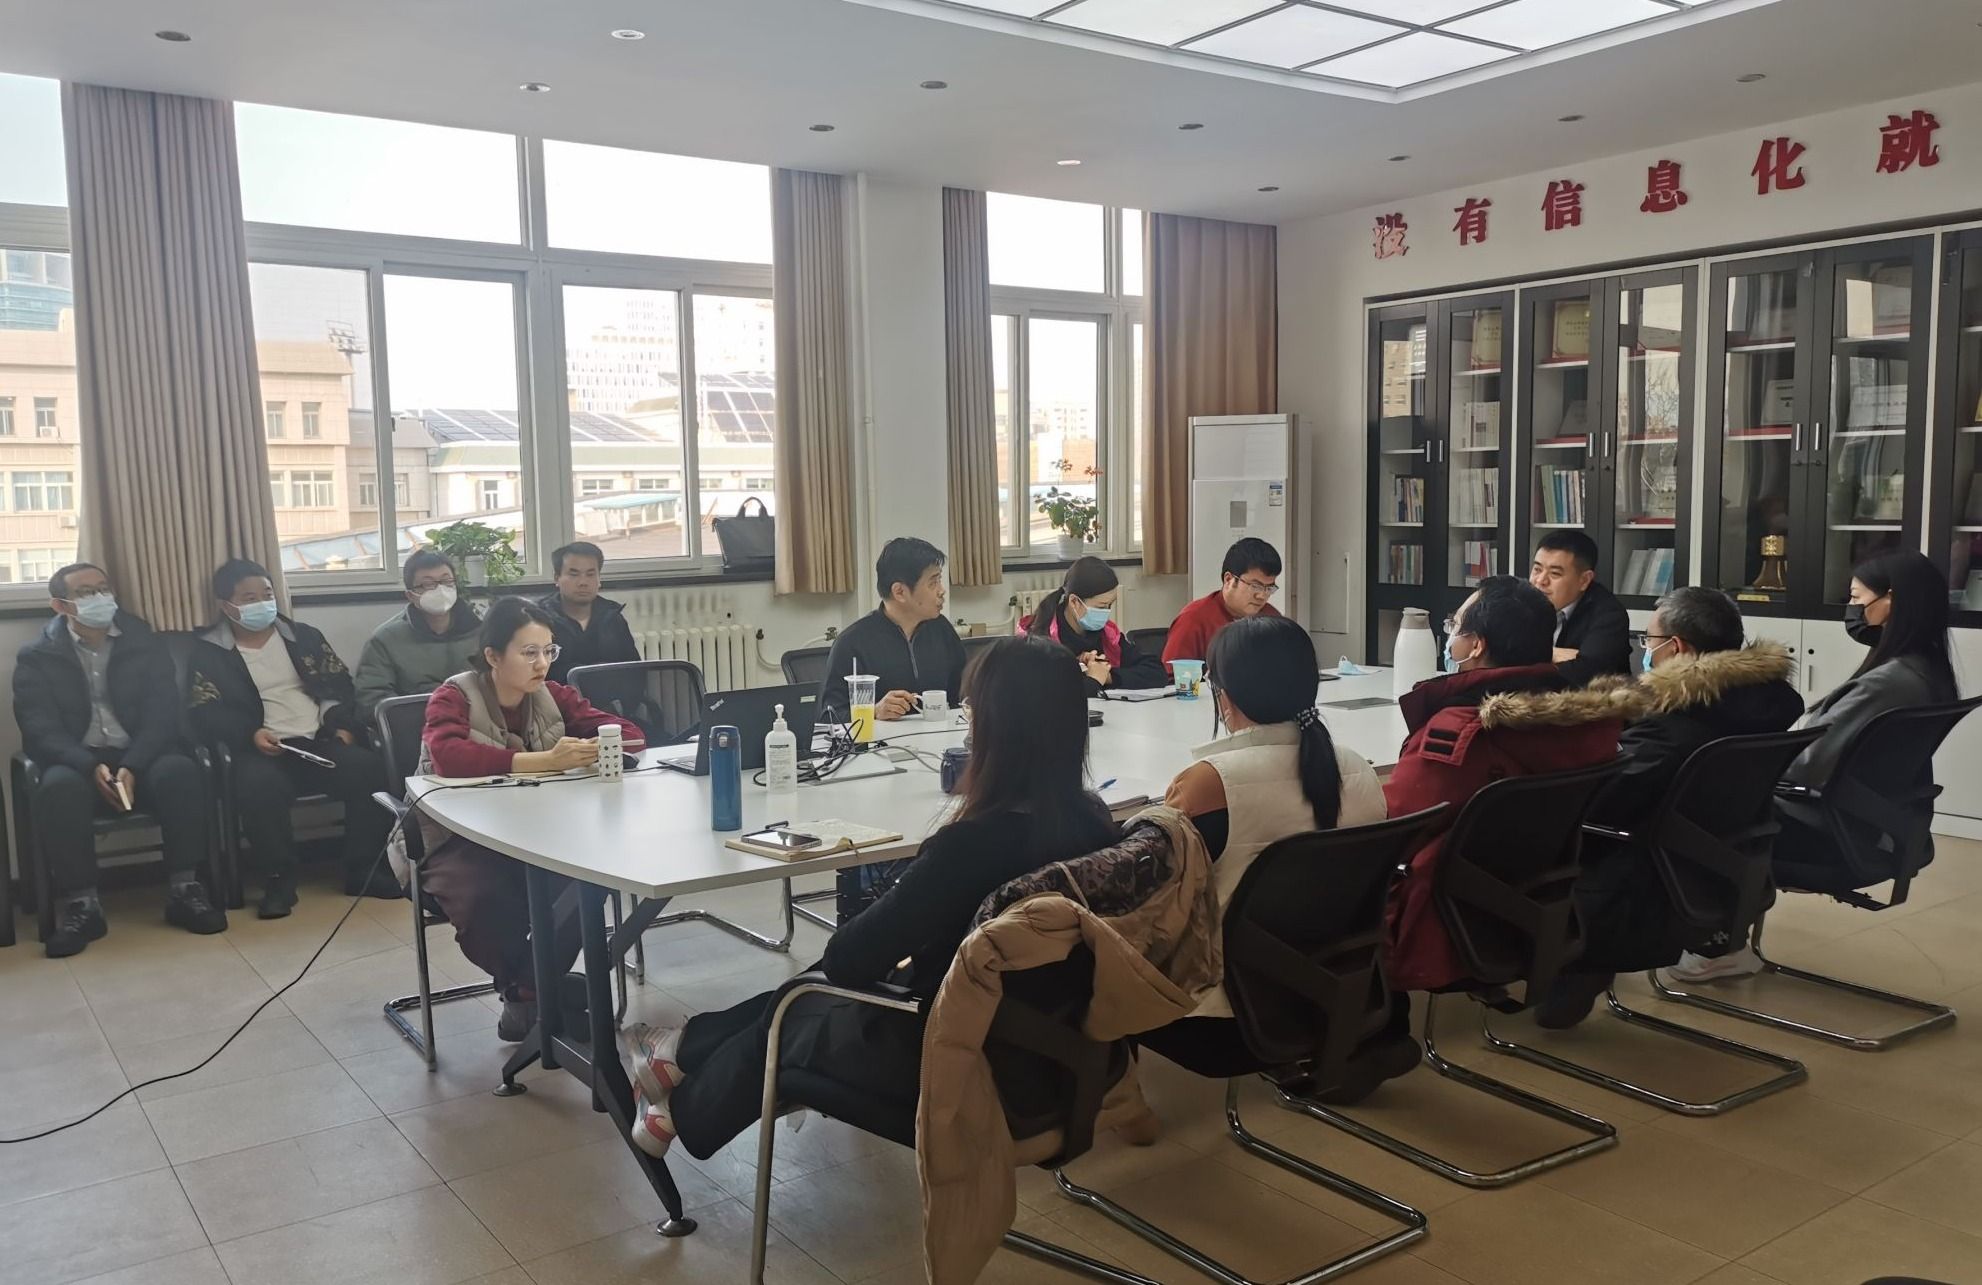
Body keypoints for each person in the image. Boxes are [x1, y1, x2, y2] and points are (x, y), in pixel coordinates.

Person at [615, 635, 1119, 1160]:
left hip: (958, 1061)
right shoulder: (1095, 824)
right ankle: (674, 1054)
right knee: (807, 993)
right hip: (1061, 1054)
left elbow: (848, 961)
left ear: (994, 730)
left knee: (799, 1006)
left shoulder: (970, 847)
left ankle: (679, 1112)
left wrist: (901, 898)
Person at [1669, 551, 1961, 984]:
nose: (1851, 608)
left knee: (1686, 813)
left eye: (1856, 597)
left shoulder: (1889, 683)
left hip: (1825, 830)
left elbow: (1805, 764)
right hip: (1871, 827)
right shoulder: (1927, 672)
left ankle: (1719, 946)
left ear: (1891, 601)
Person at [1143, 614, 1402, 1099]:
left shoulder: (1209, 784)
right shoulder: (1355, 769)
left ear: (1224, 697)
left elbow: (1150, 896)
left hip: (1222, 1020)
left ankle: (1113, 1103)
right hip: (1336, 991)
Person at [1537, 586, 1802, 1027]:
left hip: (1644, 887)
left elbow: (1597, 804)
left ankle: (1578, 960)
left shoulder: (1672, 727)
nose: (1644, 651)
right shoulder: (1763, 705)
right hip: (1722, 872)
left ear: (1676, 648)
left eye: (1649, 640)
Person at [408, 597, 647, 1040]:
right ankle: (540, 990)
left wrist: (594, 748)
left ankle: (526, 991)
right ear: (493, 656)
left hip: (540, 833)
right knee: (484, 897)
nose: (542, 664)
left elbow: (630, 736)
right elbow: (448, 756)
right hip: (455, 839)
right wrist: (544, 761)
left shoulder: (554, 695)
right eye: (529, 652)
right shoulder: (454, 695)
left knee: (588, 881)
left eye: (549, 651)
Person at [1383, 575, 1626, 996]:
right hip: (1533, 907)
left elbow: (1391, 829)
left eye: (1454, 626)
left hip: (1439, 923)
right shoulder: (1582, 725)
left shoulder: (1462, 734)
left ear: (1476, 645)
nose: (1450, 636)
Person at [14, 563, 226, 956]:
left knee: (180, 772)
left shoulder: (143, 641)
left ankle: (184, 890)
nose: (99, 598)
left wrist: (133, 765)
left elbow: (163, 713)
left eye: (103, 588)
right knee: (58, 788)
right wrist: (88, 765)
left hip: (142, 752)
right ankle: (83, 905)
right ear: (60, 606)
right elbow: (39, 727)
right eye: (85, 593)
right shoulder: (38, 656)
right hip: (79, 760)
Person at [190, 558, 397, 917]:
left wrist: (340, 725)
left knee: (369, 770)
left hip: (319, 741)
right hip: (260, 748)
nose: (261, 603)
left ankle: (363, 870)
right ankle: (279, 881)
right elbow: (205, 711)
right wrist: (250, 734)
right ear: (225, 606)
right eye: (249, 598)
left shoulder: (304, 637)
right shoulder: (208, 652)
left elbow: (340, 684)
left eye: (267, 594)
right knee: (258, 788)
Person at [819, 536, 966, 724]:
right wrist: (874, 711)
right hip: (883, 741)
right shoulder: (853, 643)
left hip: (939, 738)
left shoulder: (941, 629)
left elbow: (965, 694)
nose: (942, 590)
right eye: (933, 583)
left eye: (940, 580)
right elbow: (828, 717)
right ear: (899, 592)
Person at [353, 548, 483, 723]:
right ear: (410, 595)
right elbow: (372, 699)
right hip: (419, 727)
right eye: (428, 584)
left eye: (446, 581)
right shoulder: (385, 640)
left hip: (479, 725)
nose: (440, 590)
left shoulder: (482, 632)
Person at [1022, 556, 1167, 696]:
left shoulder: (1107, 634)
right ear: (1074, 602)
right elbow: (1049, 693)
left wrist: (1107, 676)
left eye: (1110, 605)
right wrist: (1091, 678)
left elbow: (1156, 671)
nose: (1106, 613)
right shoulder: (1041, 638)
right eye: (1101, 607)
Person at [1162, 538, 1284, 668]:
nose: (1262, 596)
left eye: (1269, 588)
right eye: (1255, 586)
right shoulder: (1194, 620)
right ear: (1229, 580)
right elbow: (1173, 675)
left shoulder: (1272, 618)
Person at [1529, 530, 1631, 686]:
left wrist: (1531, 657)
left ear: (1584, 580)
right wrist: (1552, 654)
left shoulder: (1610, 615)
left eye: (1554, 573)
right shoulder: (1521, 602)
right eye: (1537, 569)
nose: (1540, 581)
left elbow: (1586, 673)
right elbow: (1497, 657)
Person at [537, 541, 639, 684]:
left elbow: (635, 673)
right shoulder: (539, 620)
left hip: (610, 698)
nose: (583, 582)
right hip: (557, 698)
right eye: (574, 574)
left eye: (590, 574)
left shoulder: (613, 618)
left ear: (599, 579)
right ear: (557, 578)